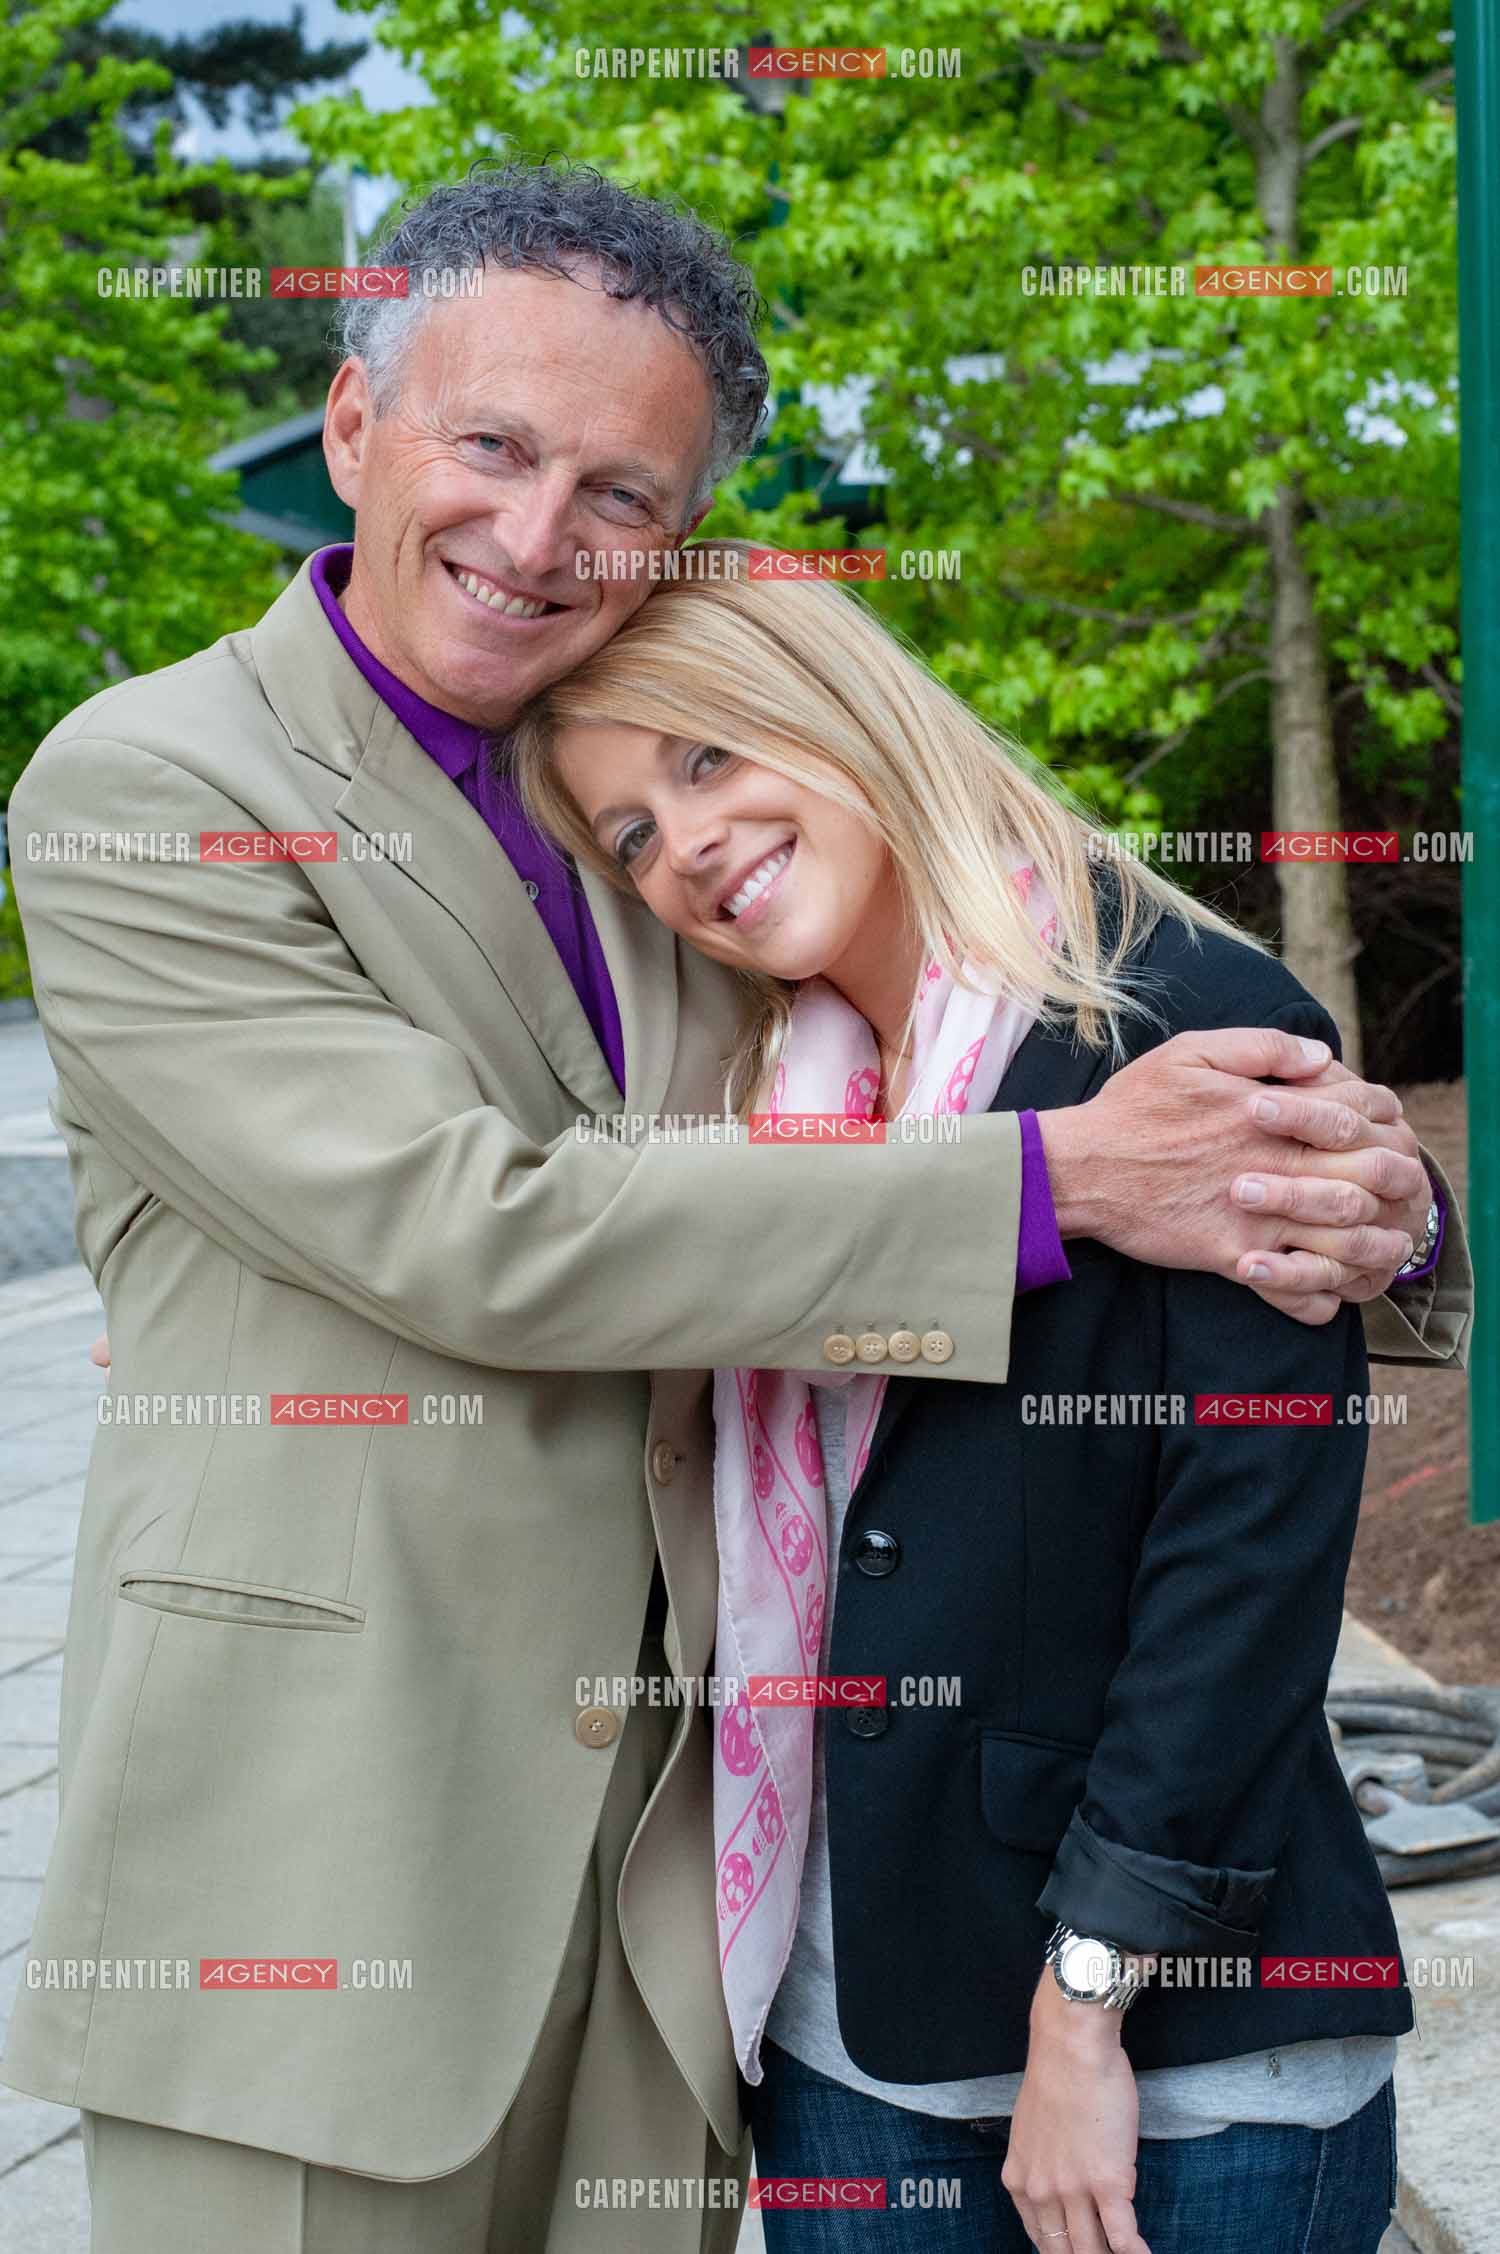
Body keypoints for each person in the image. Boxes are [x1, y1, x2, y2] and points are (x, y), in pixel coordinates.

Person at [3, 161, 1466, 2254]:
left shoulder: (662, 793)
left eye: (620, 488)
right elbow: (478, 1226)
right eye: (492, 443)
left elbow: (1033, 1015)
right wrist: (1063, 1183)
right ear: (352, 424)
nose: (538, 533)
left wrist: (1378, 1213)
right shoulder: (157, 791)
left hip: (702, 1899)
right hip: (329, 1859)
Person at [510, 541, 1470, 2254]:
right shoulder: (761, 1109)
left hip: (1183, 2052)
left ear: (839, 708)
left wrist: (1085, 1998)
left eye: (707, 755)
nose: (687, 846)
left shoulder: (1174, 1025)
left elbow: (1240, 1588)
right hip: (849, 2028)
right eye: (634, 834)